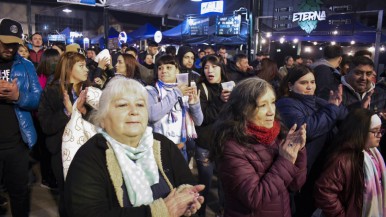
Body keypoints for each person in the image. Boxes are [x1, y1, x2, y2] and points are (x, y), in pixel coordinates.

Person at [64, 77, 205, 217]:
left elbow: (186, 180)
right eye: (122, 105)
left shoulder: (162, 144)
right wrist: (161, 211)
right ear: (102, 119)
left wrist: (187, 196)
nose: (134, 111)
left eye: (140, 105)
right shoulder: (90, 157)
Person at [212, 77, 307, 217]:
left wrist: (298, 151)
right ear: (243, 108)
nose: (271, 111)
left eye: (273, 102)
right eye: (262, 105)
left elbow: (296, 185)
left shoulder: (279, 133)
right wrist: (285, 160)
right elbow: (254, 198)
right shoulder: (232, 146)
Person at [276, 65, 347, 217]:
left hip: (322, 166)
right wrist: (333, 109)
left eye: (312, 82)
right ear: (290, 85)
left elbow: (344, 116)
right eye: (303, 83)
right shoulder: (286, 103)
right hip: (303, 169)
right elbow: (307, 129)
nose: (310, 86)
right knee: (300, 208)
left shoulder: (319, 101)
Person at [0, 18, 42, 217]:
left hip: (17, 143)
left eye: (15, 43)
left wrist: (18, 97)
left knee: (20, 194)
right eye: (5, 42)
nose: (10, 47)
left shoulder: (26, 66)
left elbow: (37, 99)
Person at [38, 51, 89, 216]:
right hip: (61, 152)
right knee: (68, 198)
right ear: (68, 69)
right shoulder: (52, 91)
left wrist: (84, 112)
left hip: (87, 151)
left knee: (86, 196)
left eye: (85, 65)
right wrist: (68, 113)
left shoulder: (88, 92)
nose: (86, 69)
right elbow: (46, 125)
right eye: (81, 66)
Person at [314, 109, 386, 217]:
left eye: (381, 131)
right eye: (375, 131)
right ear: (360, 131)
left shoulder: (373, 153)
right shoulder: (343, 160)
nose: (380, 135)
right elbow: (324, 192)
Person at [147, 55, 203, 161]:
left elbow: (199, 122)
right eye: (160, 68)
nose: (163, 70)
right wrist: (176, 93)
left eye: (168, 67)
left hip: (181, 150)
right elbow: (152, 116)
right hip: (158, 151)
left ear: (177, 71)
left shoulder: (185, 91)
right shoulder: (151, 90)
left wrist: (194, 104)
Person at [195, 55, 229, 217]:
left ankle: (223, 211)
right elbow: (202, 118)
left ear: (221, 68)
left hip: (226, 143)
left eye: (214, 67)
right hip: (206, 144)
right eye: (206, 67)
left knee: (226, 183)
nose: (210, 71)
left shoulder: (230, 86)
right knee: (204, 185)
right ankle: (200, 213)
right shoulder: (200, 88)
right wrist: (220, 101)